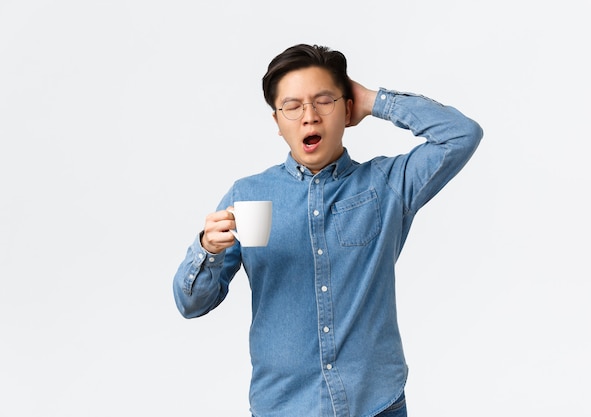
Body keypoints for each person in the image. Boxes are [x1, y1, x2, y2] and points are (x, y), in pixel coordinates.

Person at [172, 43, 483, 417]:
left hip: (377, 404)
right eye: (292, 106)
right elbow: (191, 305)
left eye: (324, 101)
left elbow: (461, 134)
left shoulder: (387, 184)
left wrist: (371, 100)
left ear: (347, 109)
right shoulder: (248, 195)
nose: (310, 117)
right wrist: (208, 249)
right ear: (277, 121)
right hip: (282, 407)